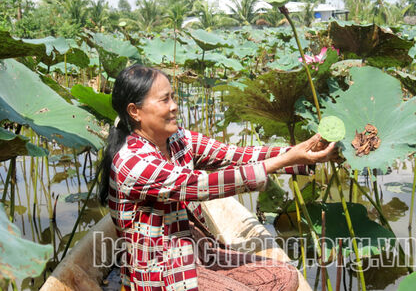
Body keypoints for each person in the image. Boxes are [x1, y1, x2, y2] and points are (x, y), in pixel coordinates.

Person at [98, 64, 338, 291]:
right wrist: (284, 160)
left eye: (173, 97)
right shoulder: (132, 163)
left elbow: (235, 156)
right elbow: (202, 185)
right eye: (164, 100)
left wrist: (305, 152)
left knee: (284, 276)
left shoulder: (177, 139)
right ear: (135, 111)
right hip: (161, 272)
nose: (174, 106)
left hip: (196, 250)